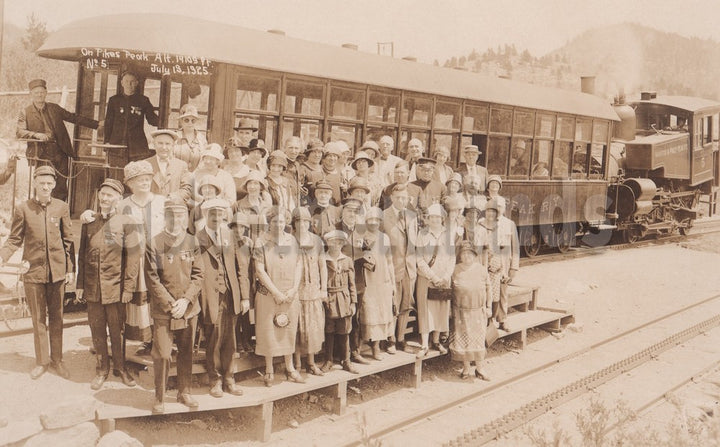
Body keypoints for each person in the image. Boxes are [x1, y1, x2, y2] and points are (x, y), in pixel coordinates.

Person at [0, 165, 75, 379]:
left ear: (53, 185)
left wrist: (70, 269)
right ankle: (42, 361)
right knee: (39, 319)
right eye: (41, 183)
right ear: (35, 184)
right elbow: (15, 239)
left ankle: (57, 360)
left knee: (57, 318)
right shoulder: (23, 209)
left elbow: (68, 241)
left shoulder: (61, 207)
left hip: (58, 273)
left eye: (49, 183)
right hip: (33, 273)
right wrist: (2, 256)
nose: (45, 187)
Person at [76, 178, 140, 389]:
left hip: (116, 289)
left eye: (109, 195)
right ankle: (102, 368)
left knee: (117, 330)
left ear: (119, 199)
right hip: (93, 288)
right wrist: (80, 285)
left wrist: (128, 288)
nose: (104, 198)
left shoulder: (127, 223)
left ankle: (120, 368)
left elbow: (132, 259)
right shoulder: (89, 222)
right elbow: (82, 256)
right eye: (102, 194)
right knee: (97, 330)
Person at [145, 194, 204, 414]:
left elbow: (199, 275)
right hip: (164, 310)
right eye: (172, 215)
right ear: (165, 217)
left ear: (186, 217)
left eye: (181, 215)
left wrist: (186, 300)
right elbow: (152, 279)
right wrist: (172, 304)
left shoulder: (193, 241)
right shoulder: (154, 243)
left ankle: (184, 392)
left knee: (187, 351)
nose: (176, 220)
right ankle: (159, 397)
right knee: (161, 353)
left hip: (188, 309)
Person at [197, 198, 248, 398]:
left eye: (220, 214)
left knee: (231, 338)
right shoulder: (197, 238)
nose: (217, 218)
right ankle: (215, 379)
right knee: (213, 338)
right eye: (212, 214)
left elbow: (241, 267)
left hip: (230, 294)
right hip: (210, 295)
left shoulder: (229, 235)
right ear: (205, 215)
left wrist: (244, 296)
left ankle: (229, 378)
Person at [17, 78, 100, 200]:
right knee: (44, 184)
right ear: (31, 94)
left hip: (61, 152)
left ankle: (59, 216)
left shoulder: (54, 108)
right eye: (36, 93)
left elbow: (73, 118)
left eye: (41, 92)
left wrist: (97, 125)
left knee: (61, 185)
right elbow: (20, 132)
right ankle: (41, 214)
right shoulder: (25, 112)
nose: (39, 95)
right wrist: (36, 135)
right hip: (41, 154)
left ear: (46, 92)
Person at [116, 160, 166, 353]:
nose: (144, 183)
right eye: (139, 180)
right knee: (143, 299)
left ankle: (163, 340)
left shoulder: (161, 201)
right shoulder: (123, 205)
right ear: (130, 183)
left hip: (160, 258)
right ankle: (148, 341)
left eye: (147, 179)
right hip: (137, 259)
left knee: (160, 296)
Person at [253, 207, 305, 387]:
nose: (278, 224)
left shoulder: (292, 240)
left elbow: (299, 265)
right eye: (275, 221)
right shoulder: (260, 241)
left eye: (282, 221)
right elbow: (259, 270)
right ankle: (269, 370)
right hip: (269, 294)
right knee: (269, 331)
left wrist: (293, 289)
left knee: (288, 330)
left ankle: (290, 368)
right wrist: (275, 292)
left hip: (290, 295)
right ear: (269, 222)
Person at [415, 203, 456, 358]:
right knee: (425, 310)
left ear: (442, 219)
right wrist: (433, 276)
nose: (435, 220)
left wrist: (445, 277)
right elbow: (419, 259)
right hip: (426, 278)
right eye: (432, 217)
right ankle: (425, 344)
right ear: (428, 219)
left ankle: (437, 341)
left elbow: (452, 258)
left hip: (443, 279)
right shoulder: (422, 234)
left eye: (438, 217)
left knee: (440, 309)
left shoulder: (448, 235)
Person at [382, 184, 418, 354]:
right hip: (392, 267)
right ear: (392, 198)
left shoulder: (412, 216)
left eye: (404, 198)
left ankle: (401, 338)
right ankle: (390, 339)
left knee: (405, 304)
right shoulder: (384, 216)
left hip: (409, 268)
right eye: (398, 198)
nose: (401, 201)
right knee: (392, 304)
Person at [292, 207, 328, 376]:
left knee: (313, 327)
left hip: (313, 290)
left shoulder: (317, 241)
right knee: (298, 327)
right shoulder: (289, 241)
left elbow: (323, 266)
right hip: (296, 291)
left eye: (305, 221)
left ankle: (311, 363)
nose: (302, 225)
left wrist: (324, 289)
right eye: (299, 221)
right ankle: (297, 364)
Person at [336, 197, 370, 365]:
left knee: (355, 318)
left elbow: (367, 253)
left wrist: (368, 257)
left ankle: (355, 351)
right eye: (348, 211)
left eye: (355, 212)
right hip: (339, 282)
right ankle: (341, 356)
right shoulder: (335, 229)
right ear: (343, 212)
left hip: (357, 281)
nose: (351, 214)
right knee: (341, 318)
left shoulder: (361, 230)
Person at [451, 241, 492, 381]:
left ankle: (480, 369)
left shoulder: (481, 269)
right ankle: (466, 368)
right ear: (460, 256)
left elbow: (489, 288)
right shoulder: (455, 269)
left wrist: (489, 307)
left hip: (478, 311)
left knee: (478, 340)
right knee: (464, 341)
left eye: (469, 253)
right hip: (460, 311)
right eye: (464, 254)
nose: (466, 256)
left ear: (474, 255)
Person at [358, 207, 395, 360]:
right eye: (370, 220)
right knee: (368, 312)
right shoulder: (361, 237)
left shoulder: (385, 238)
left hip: (383, 279)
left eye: (377, 220)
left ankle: (376, 347)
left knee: (381, 311)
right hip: (368, 280)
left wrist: (392, 282)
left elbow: (389, 261)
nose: (374, 223)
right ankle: (359, 347)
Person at [321, 230, 358, 374]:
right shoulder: (323, 260)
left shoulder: (347, 260)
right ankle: (328, 360)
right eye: (332, 242)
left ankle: (346, 360)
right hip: (329, 298)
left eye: (339, 242)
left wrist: (353, 302)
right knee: (329, 330)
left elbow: (352, 283)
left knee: (345, 330)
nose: (336, 245)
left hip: (344, 299)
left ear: (342, 244)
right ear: (327, 243)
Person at [104, 71, 160, 166]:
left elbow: (152, 120)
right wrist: (106, 142)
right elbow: (108, 122)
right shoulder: (114, 100)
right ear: (122, 83)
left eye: (132, 81)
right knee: (117, 175)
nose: (129, 84)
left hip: (137, 148)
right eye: (126, 81)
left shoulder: (143, 100)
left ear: (137, 83)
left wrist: (166, 115)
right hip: (117, 146)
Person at [482, 198, 520, 331]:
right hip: (486, 264)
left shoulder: (509, 224)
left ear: (504, 208)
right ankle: (488, 322)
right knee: (487, 294)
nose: (498, 209)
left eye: (500, 206)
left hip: (503, 265)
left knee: (502, 293)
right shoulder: (482, 223)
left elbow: (515, 248)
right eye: (495, 206)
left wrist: (514, 268)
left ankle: (503, 320)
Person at [144, 129, 190, 197]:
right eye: (160, 143)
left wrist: (170, 198)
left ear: (173, 146)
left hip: (173, 205)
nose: (164, 147)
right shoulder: (145, 164)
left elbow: (186, 190)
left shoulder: (181, 165)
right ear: (153, 145)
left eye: (167, 144)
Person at [410, 157, 447, 221]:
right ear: (419, 171)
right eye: (423, 170)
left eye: (429, 170)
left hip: (434, 221)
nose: (426, 173)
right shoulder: (411, 186)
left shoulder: (441, 187)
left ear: (433, 171)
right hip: (415, 220)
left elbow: (444, 208)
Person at [173, 104, 207, 171]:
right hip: (177, 176)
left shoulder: (202, 139)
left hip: (196, 178)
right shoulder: (175, 137)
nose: (190, 123)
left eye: (193, 120)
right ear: (181, 121)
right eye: (186, 120)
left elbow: (205, 160)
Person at [282, 136, 306, 206]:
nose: (293, 151)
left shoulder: (297, 164)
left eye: (296, 148)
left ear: (300, 150)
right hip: (284, 204)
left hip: (296, 204)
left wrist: (300, 189)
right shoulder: (280, 164)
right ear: (285, 148)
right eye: (290, 148)